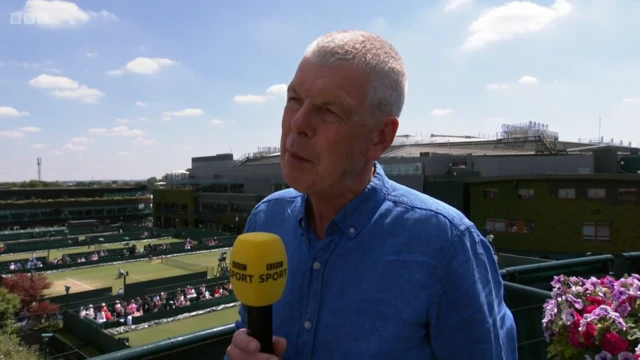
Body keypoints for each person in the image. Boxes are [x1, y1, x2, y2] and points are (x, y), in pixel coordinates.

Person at [225, 30, 517, 360]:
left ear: (380, 137)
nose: (298, 123)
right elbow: (247, 330)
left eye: (329, 110)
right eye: (294, 99)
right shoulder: (266, 220)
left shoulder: (447, 245)